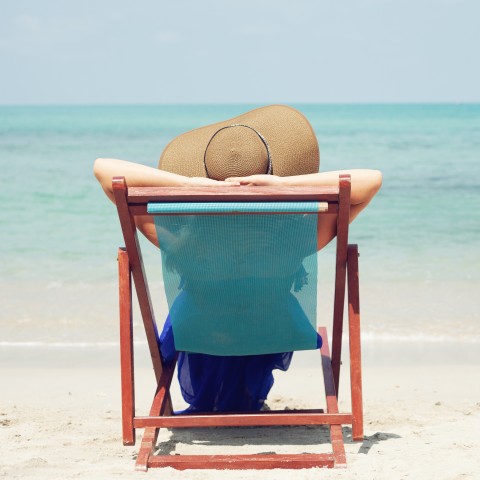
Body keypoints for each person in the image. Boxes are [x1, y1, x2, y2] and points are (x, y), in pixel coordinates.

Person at [94, 105, 382, 412]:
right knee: (263, 312)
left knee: (199, 310)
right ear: (268, 173)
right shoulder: (295, 240)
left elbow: (103, 169)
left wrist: (187, 185)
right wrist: (287, 187)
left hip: (199, 330)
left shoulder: (179, 240)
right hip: (272, 329)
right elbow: (371, 180)